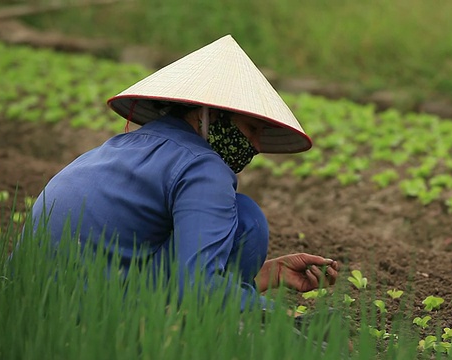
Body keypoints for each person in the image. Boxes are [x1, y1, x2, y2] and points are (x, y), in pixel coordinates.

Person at [30, 34, 340, 311]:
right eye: (252, 129)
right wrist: (277, 319)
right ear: (210, 116)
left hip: (37, 300)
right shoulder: (202, 166)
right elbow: (197, 288)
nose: (257, 146)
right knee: (246, 217)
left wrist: (270, 274)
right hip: (97, 314)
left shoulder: (114, 149)